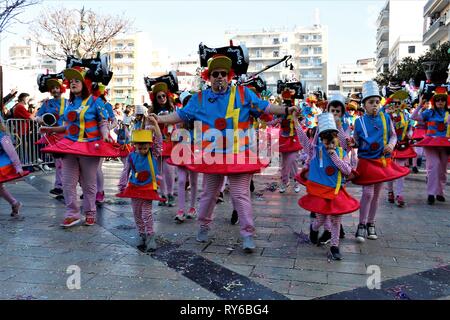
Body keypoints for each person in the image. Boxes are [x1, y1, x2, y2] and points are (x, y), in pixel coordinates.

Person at [154, 54, 299, 252]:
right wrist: (159, 120)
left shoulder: (243, 94)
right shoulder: (199, 98)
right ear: (209, 77)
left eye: (223, 73)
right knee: (209, 195)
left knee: (240, 195)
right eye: (215, 74)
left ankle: (248, 234)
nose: (220, 77)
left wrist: (287, 109)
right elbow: (180, 115)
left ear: (229, 76)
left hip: (239, 155)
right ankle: (203, 225)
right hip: (212, 157)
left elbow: (266, 107)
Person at [40, 66, 120, 228]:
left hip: (89, 147)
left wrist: (105, 134)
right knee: (68, 182)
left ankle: (90, 213)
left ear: (86, 83)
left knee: (88, 183)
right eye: (71, 81)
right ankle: (72, 214)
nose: (73, 83)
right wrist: (50, 129)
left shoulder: (96, 101)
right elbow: (67, 127)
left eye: (77, 80)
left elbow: (103, 122)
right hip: (69, 146)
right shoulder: (70, 103)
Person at [350, 81, 410, 242]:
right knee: (367, 193)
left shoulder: (386, 118)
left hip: (382, 161)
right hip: (367, 161)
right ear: (364, 105)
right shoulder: (359, 122)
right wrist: (351, 142)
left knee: (376, 195)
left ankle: (371, 223)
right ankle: (361, 225)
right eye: (371, 102)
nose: (375, 105)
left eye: (377, 102)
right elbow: (356, 140)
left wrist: (391, 145)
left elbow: (393, 135)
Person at [296, 112, 359, 260]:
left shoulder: (342, 152)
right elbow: (303, 140)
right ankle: (314, 228)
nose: (329, 143)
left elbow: (347, 170)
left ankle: (334, 247)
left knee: (336, 220)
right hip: (320, 193)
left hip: (336, 191)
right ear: (321, 139)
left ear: (337, 139)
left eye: (332, 139)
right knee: (321, 220)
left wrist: (333, 155)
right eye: (326, 140)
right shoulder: (314, 152)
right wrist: (295, 121)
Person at [117, 117, 164, 252]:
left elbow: (159, 141)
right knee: (136, 213)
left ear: (150, 145)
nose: (143, 150)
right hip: (134, 187)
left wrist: (155, 125)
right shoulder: (131, 156)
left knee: (146, 212)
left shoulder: (153, 154)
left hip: (149, 188)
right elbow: (126, 171)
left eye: (145, 147)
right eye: (140, 147)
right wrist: (122, 185)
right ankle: (141, 234)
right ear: (135, 145)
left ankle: (150, 236)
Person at [411, 87, 450, 205]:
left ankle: (440, 192)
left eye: (442, 100)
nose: (440, 102)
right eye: (438, 100)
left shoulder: (449, 113)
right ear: (434, 101)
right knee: (434, 166)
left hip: (445, 144)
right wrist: (420, 105)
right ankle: (431, 193)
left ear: (446, 101)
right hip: (431, 143)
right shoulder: (429, 112)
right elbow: (413, 117)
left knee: (443, 169)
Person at [170, 91, 199, 222]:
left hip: (195, 153)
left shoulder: (199, 119)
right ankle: (181, 210)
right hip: (182, 152)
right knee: (182, 181)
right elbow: (175, 136)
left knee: (193, 181)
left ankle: (192, 208)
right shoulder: (180, 119)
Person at [36, 78, 68, 197]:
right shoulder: (46, 103)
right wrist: (41, 120)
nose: (55, 90)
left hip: (66, 135)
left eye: (57, 87)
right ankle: (60, 186)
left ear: (61, 89)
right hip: (52, 136)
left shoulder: (68, 102)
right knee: (59, 162)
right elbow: (38, 116)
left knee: (69, 163)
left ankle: (75, 185)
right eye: (53, 88)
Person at [384, 93, 416, 207]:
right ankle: (390, 192)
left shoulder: (406, 115)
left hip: (402, 145)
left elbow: (410, 128)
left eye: (399, 103)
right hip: (390, 147)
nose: (397, 105)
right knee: (390, 171)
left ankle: (399, 194)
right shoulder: (386, 116)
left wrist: (410, 134)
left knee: (401, 171)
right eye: (394, 103)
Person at [149, 82, 177, 207]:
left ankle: (170, 193)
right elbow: (147, 126)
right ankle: (163, 194)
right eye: (159, 96)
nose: (161, 98)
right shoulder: (152, 110)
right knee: (158, 171)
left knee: (169, 170)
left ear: (167, 96)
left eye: (163, 96)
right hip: (157, 142)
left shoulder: (172, 109)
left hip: (169, 142)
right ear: (155, 98)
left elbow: (176, 123)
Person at [0, 116, 29, 217]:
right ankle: (15, 203)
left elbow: (12, 152)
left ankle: (14, 203)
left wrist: (18, 167)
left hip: (3, 165)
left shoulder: (2, 136)